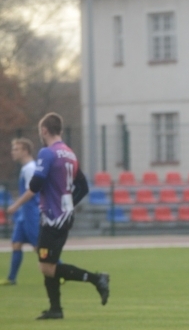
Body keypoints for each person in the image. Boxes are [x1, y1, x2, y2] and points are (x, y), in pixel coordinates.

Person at [6, 113, 109, 319]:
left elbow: (35, 184)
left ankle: (97, 279)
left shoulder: (47, 152)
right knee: (49, 264)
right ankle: (55, 309)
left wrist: (43, 187)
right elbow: (83, 186)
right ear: (60, 130)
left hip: (52, 217)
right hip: (64, 216)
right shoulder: (69, 153)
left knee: (46, 266)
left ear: (44, 130)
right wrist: (69, 203)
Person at [1, 139, 40, 286]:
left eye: (16, 149)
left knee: (39, 248)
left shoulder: (30, 168)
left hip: (31, 213)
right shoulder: (25, 168)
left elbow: (32, 190)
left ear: (25, 151)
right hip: (24, 214)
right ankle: (11, 278)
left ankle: (60, 273)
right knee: (16, 244)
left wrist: (15, 205)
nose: (13, 152)